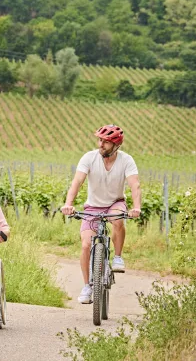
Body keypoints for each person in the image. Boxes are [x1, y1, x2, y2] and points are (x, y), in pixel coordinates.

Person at [61, 124, 141, 304]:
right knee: (85, 245)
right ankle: (87, 286)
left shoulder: (126, 160)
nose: (101, 144)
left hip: (115, 203)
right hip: (92, 207)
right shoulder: (89, 158)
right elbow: (77, 182)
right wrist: (68, 204)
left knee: (118, 219)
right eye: (100, 140)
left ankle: (118, 257)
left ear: (116, 145)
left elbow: (134, 184)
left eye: (105, 142)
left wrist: (136, 207)